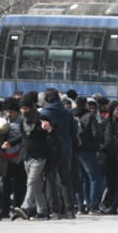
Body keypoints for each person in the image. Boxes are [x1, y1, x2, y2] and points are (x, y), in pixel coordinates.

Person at [12, 94, 53, 220]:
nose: (24, 111)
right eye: (22, 108)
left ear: (31, 107)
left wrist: (49, 129)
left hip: (39, 156)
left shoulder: (42, 119)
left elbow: (54, 137)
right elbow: (23, 138)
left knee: (31, 181)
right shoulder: (22, 121)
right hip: (27, 156)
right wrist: (11, 143)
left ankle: (25, 207)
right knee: (36, 185)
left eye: (26, 108)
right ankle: (42, 211)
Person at [41, 88, 78, 219]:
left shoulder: (44, 113)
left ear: (46, 99)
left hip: (50, 149)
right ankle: (69, 210)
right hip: (66, 148)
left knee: (50, 179)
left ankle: (55, 210)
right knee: (65, 179)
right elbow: (74, 132)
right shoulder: (67, 113)